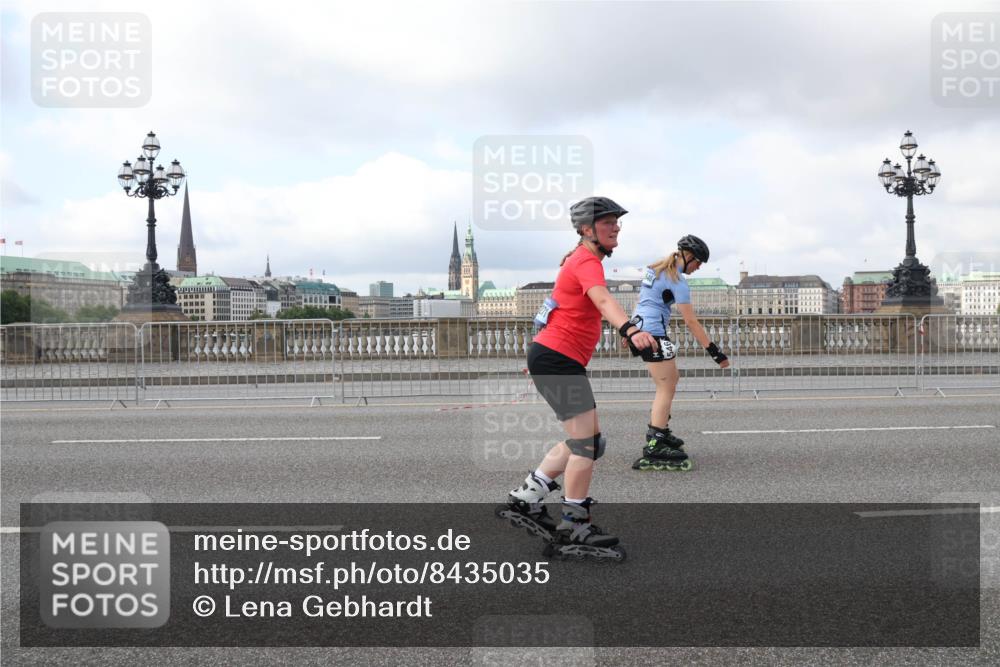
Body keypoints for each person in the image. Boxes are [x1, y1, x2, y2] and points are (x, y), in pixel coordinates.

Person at [497, 196, 657, 561]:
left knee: (590, 442)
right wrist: (631, 330)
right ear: (587, 229)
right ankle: (574, 524)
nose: (616, 226)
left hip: (555, 358)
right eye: (608, 222)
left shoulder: (581, 258)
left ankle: (527, 498)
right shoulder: (585, 260)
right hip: (556, 359)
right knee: (586, 445)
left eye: (617, 221)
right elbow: (601, 300)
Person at [630, 235, 731, 471]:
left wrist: (632, 329)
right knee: (665, 387)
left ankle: (661, 431)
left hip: (643, 329)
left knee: (671, 380)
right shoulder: (679, 282)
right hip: (653, 334)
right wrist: (715, 353)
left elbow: (642, 300)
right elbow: (692, 322)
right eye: (698, 262)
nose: (699, 267)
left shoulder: (654, 269)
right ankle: (655, 443)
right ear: (688, 257)